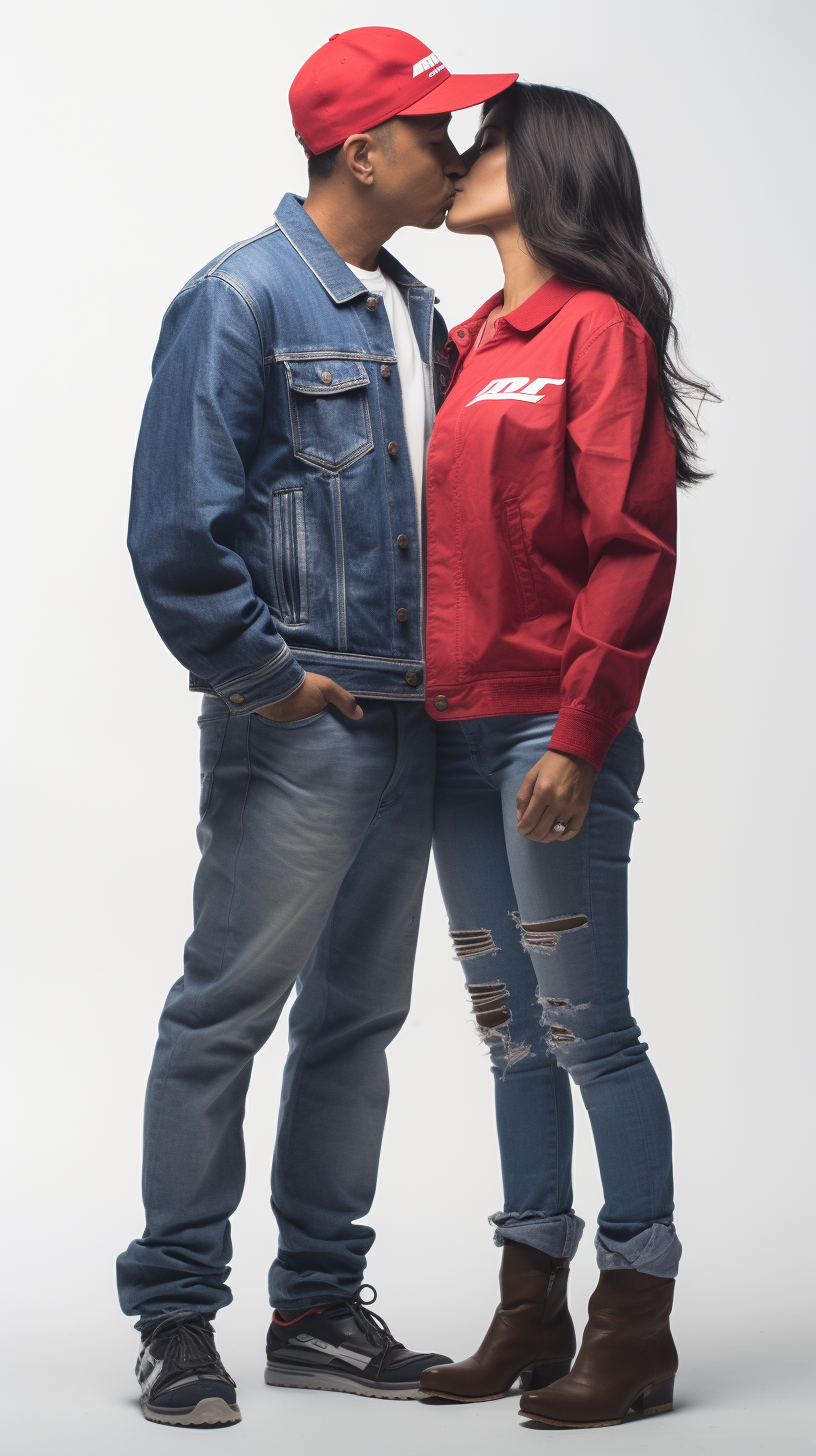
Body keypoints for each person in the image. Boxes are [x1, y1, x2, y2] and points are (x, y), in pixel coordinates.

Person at [119, 28, 517, 1427]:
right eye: (434, 132)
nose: (456, 154)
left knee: (359, 1020)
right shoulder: (238, 298)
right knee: (227, 1010)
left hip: (419, 716)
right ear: (364, 148)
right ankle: (174, 1311)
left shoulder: (416, 311)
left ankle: (318, 1307)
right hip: (302, 722)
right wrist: (269, 680)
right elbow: (176, 529)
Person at [417, 84, 715, 1428]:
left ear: (546, 167)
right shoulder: (464, 337)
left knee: (590, 1029)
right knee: (509, 1038)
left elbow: (634, 544)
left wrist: (585, 734)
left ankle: (635, 1320)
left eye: (486, 144)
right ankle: (527, 1308)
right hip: (452, 737)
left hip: (551, 731)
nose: (462, 162)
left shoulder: (594, 330)